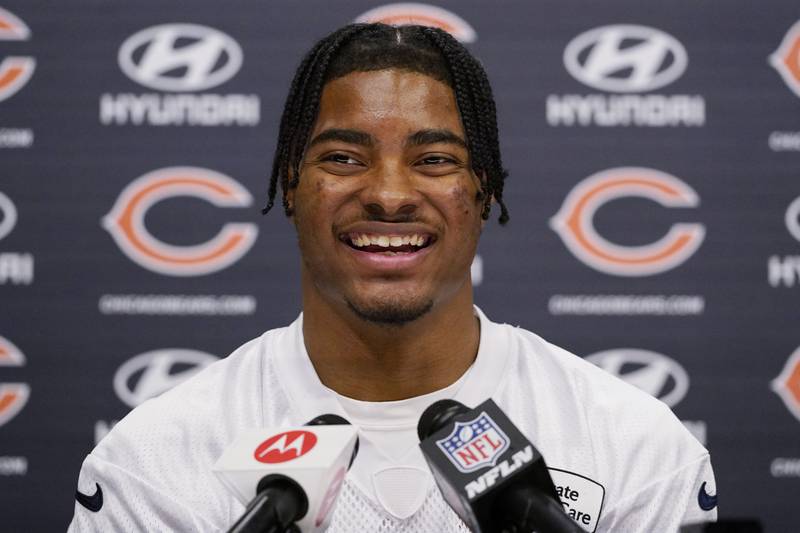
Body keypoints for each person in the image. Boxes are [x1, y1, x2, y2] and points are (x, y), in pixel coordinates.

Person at [68, 23, 717, 532]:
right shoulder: (154, 459)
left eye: (434, 158)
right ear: (291, 186)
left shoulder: (634, 443)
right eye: (344, 157)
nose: (388, 194)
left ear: (482, 189)